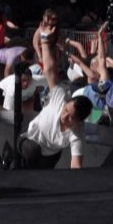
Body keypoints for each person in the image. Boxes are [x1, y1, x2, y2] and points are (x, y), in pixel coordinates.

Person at [17, 22, 92, 169]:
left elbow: (76, 164)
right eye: (65, 110)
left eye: (70, 118)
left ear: (78, 122)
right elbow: (50, 70)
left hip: (50, 155)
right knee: (33, 152)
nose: (64, 116)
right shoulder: (60, 96)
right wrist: (44, 40)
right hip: (29, 142)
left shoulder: (77, 132)